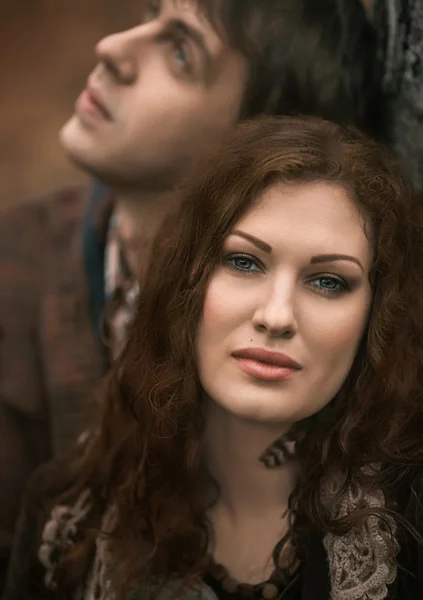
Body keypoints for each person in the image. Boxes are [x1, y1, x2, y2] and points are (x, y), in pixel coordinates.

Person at [0, 0, 382, 578]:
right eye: (148, 15)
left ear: (263, 138)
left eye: (180, 52)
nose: (113, 50)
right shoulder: (16, 266)